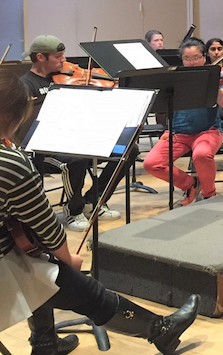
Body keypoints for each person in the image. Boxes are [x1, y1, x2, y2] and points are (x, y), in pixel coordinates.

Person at [0, 73, 201, 355]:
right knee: (60, 274)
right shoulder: (10, 163)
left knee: (36, 261)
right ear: (17, 117)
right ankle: (160, 330)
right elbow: (46, 226)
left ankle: (46, 343)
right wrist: (68, 257)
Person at [18, 35, 136, 231]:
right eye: (58, 57)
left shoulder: (67, 76)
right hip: (43, 149)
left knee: (128, 150)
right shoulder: (26, 85)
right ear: (40, 57)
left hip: (75, 138)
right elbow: (24, 128)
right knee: (75, 159)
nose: (64, 61)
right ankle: (73, 210)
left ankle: (95, 200)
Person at [143, 38, 223, 205]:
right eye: (187, 59)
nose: (192, 62)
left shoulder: (210, 77)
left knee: (201, 154)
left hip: (207, 131)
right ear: (182, 60)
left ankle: (209, 195)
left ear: (204, 57)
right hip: (178, 133)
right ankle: (191, 184)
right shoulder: (175, 80)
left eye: (196, 58)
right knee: (151, 163)